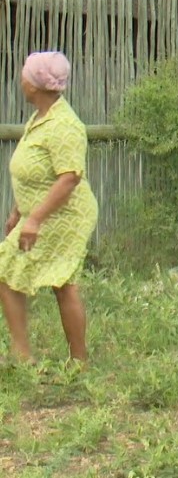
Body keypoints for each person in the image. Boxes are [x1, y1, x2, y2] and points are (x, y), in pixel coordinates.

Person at [1, 51, 98, 363]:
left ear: (34, 85)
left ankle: (78, 363)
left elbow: (69, 178)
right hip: (39, 213)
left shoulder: (65, 125)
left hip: (66, 214)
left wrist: (34, 220)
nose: (21, 78)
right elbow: (36, 174)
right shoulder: (41, 118)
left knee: (62, 283)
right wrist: (18, 212)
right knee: (7, 272)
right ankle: (22, 355)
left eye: (25, 74)